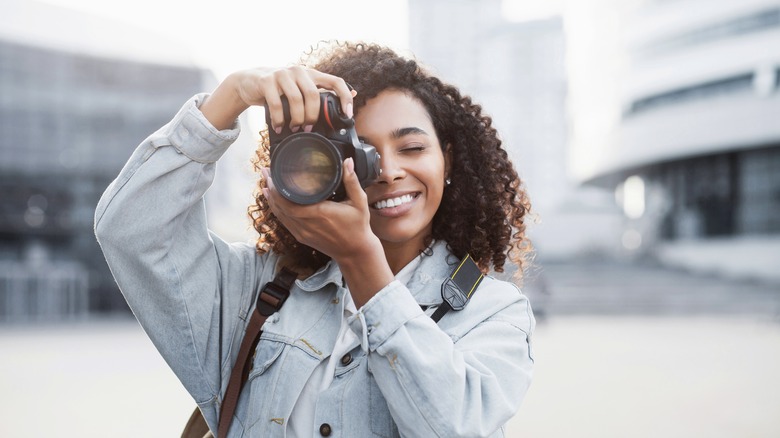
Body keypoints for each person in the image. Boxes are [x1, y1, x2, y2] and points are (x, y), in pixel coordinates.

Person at [95, 41, 535, 437]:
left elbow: (455, 428)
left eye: (412, 148)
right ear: (314, 166)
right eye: (359, 152)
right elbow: (130, 228)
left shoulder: (492, 313)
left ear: (448, 160)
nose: (386, 170)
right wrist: (232, 95)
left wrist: (362, 260)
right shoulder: (259, 289)